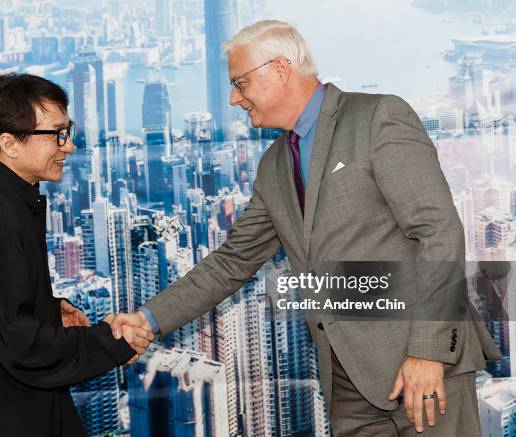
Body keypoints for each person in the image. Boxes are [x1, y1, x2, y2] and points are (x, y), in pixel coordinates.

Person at [108, 20, 502, 436]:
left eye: (241, 82)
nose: (233, 97)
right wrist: (147, 320)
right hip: (344, 380)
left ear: (280, 69)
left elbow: (439, 232)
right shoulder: (274, 164)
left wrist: (428, 352)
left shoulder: (377, 117)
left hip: (419, 366)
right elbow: (232, 261)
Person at [0, 73, 153, 436]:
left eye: (67, 131)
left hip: (14, 410)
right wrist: (112, 344)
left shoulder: (0, 196)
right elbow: (20, 345)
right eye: (56, 134)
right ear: (10, 143)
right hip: (4, 420)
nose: (67, 146)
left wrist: (47, 311)